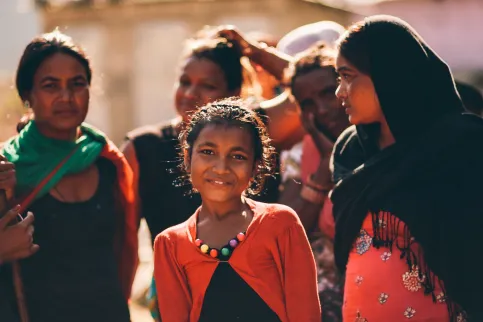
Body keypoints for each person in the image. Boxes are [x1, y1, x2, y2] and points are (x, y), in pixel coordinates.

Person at [331, 15, 483, 321]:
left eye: (348, 77)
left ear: (389, 75)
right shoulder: (352, 150)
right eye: (338, 78)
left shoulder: (461, 148)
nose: (340, 92)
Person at [0, 29, 138, 322]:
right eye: (51, 86)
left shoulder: (106, 160)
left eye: (77, 84)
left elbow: (122, 249)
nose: (66, 97)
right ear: (28, 95)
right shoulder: (5, 171)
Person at [154, 98, 320, 322]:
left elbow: (306, 315)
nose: (221, 168)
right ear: (187, 158)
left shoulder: (281, 223)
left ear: (255, 167)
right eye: (207, 152)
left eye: (238, 156)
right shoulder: (169, 244)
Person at [279, 42, 350, 322]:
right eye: (307, 103)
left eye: (327, 93)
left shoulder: (383, 144)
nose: (321, 110)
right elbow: (285, 232)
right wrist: (326, 164)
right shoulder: (299, 156)